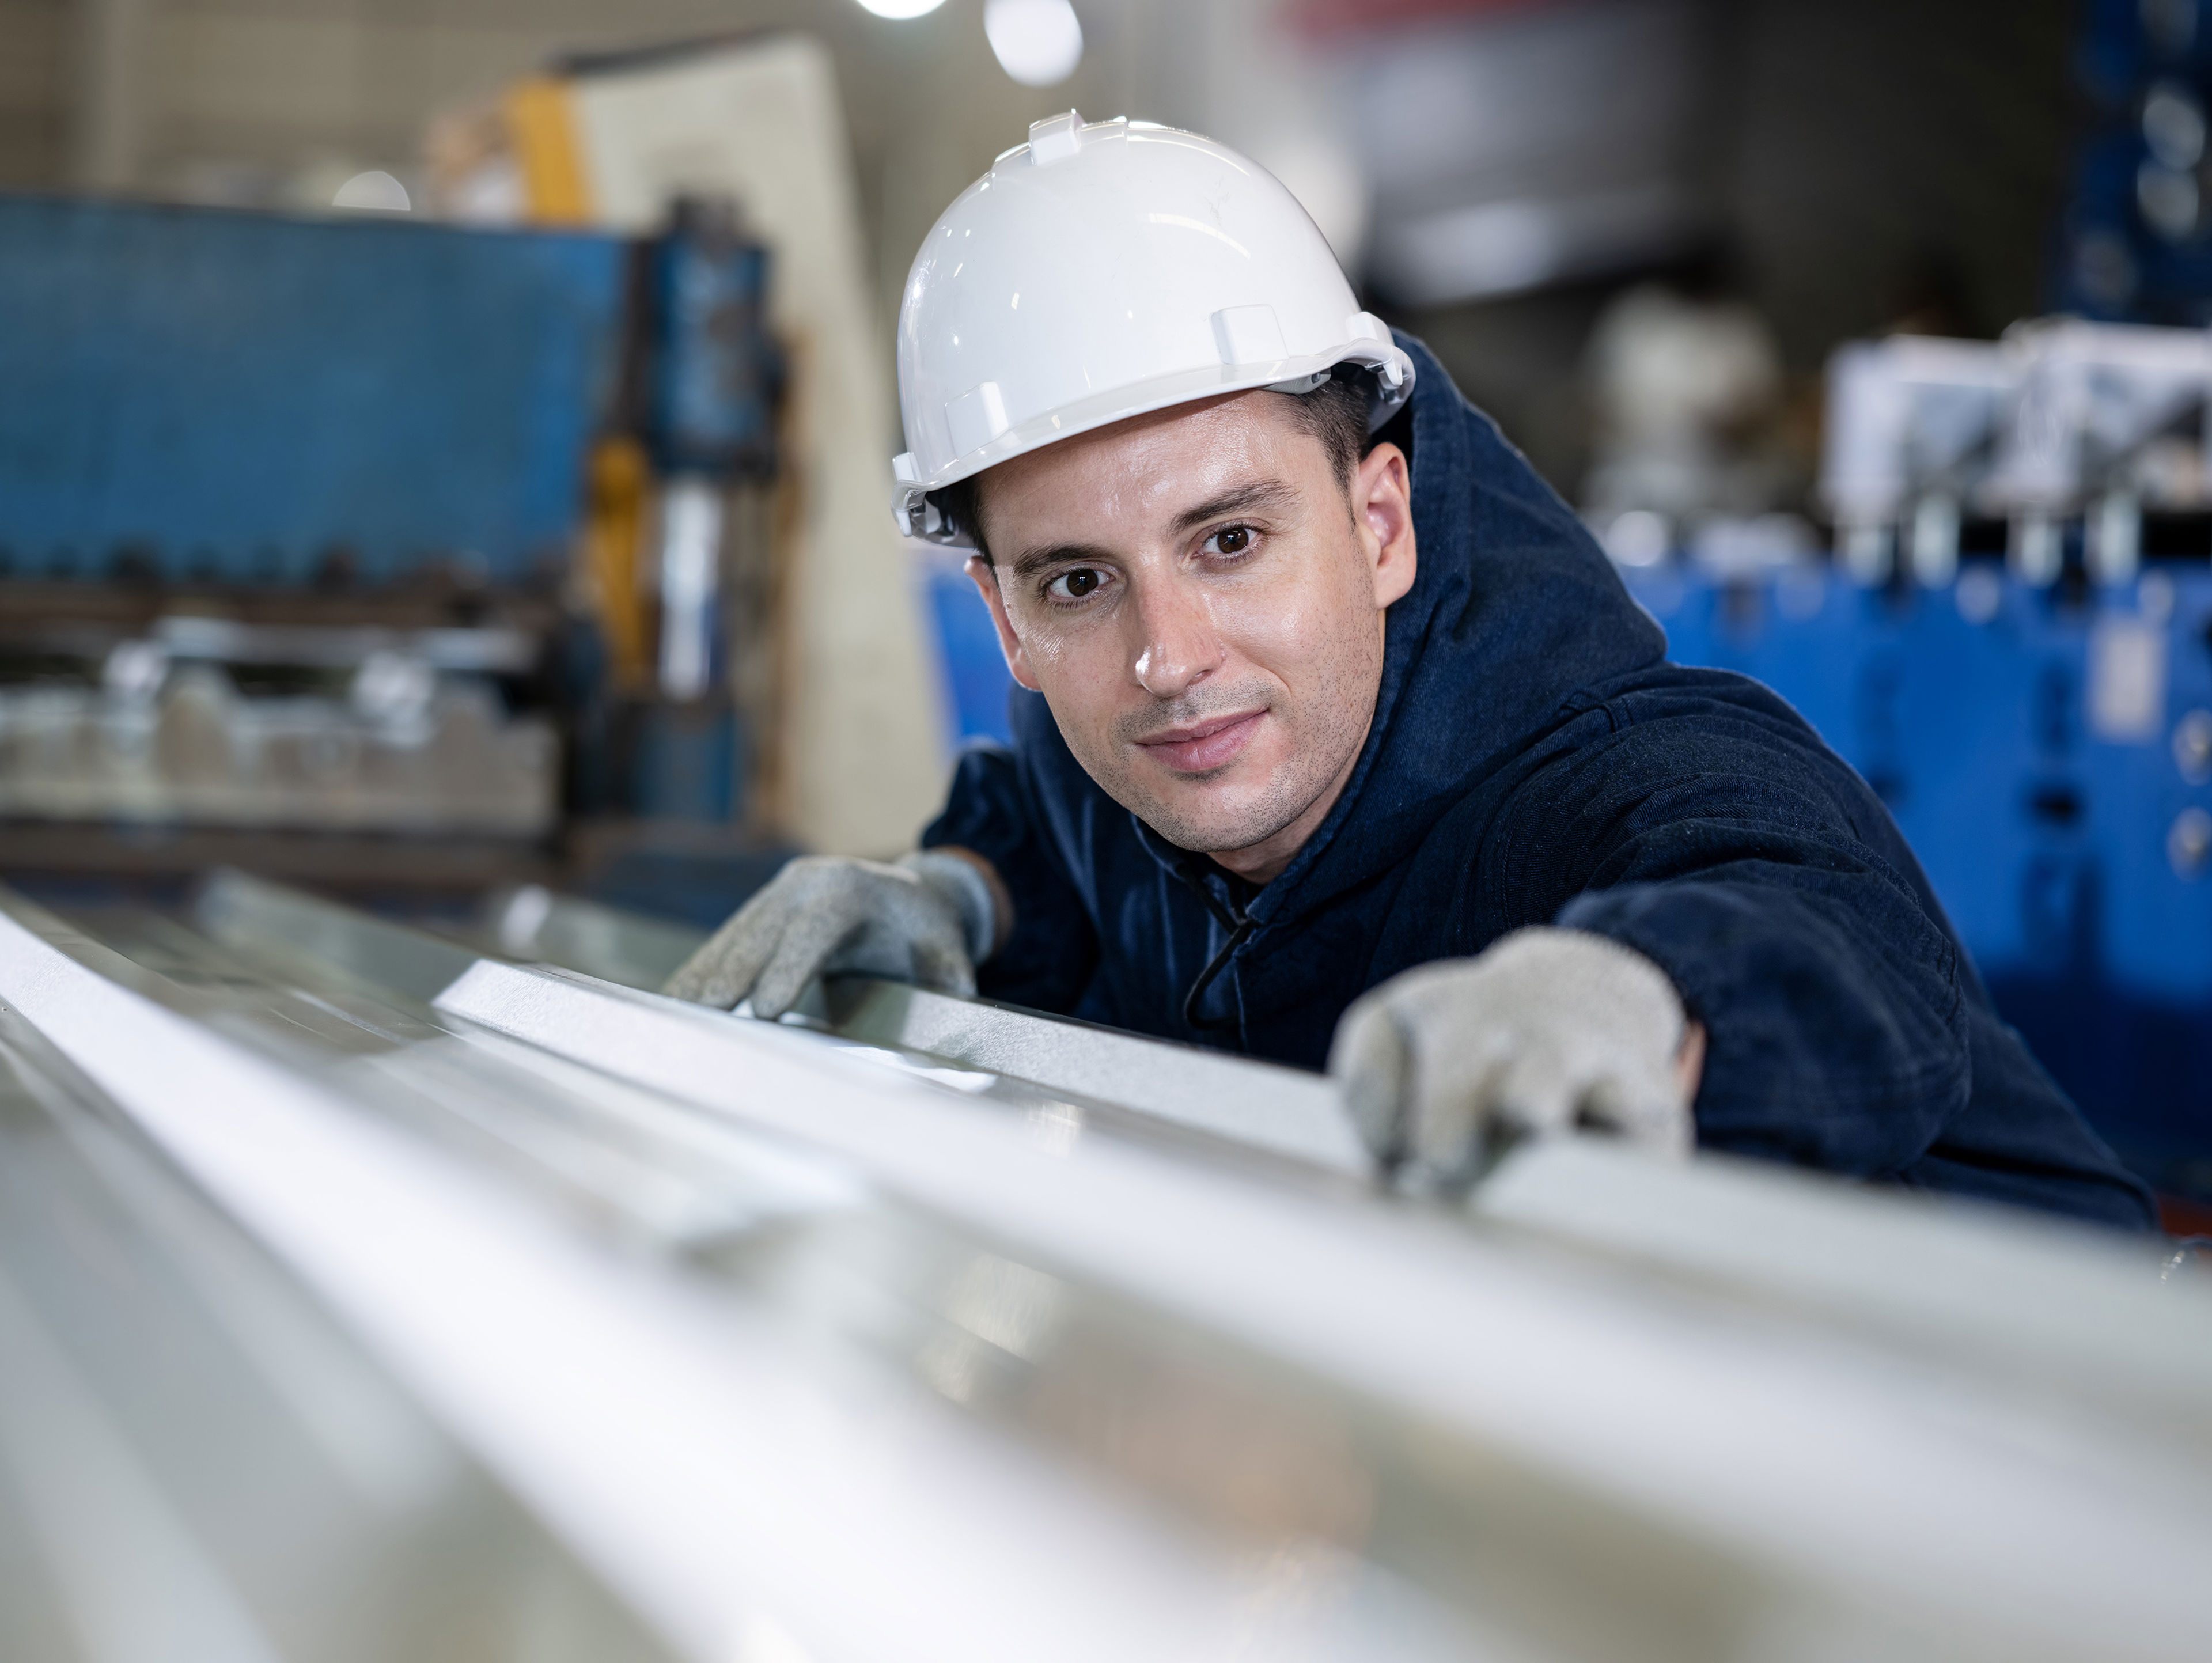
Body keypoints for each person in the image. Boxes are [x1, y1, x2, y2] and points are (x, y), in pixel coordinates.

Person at [666, 112, 2153, 1229]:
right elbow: (1068, 852)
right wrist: (950, 902)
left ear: (1378, 522)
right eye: (1077, 582)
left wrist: (1640, 994)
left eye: (1232, 539)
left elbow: (1823, 920)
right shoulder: (1113, 755)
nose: (1170, 658)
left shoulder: (1616, 769)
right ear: (1002, 615)